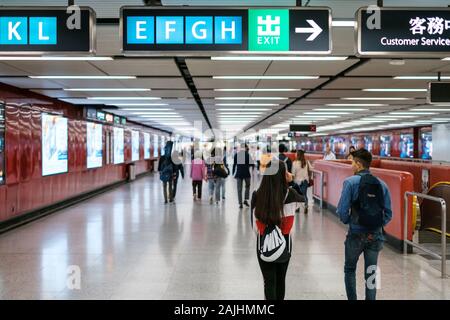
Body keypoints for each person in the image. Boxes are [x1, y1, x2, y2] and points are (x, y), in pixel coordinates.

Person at [336, 148, 392, 300]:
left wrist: (351, 221)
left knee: (349, 269)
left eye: (352, 162)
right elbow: (388, 213)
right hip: (375, 234)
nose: (351, 165)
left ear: (359, 164)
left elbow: (342, 211)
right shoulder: (382, 184)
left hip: (355, 234)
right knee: (372, 271)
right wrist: (377, 225)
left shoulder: (350, 182)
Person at [251, 160, 304, 300]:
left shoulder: (257, 195)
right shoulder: (291, 195)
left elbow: (254, 225)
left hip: (264, 241)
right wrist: (291, 182)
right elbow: (303, 199)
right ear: (283, 174)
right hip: (285, 242)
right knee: (281, 280)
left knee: (269, 281)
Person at [233, 144, 255, 209]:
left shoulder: (236, 155)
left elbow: (234, 164)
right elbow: (251, 164)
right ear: (245, 148)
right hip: (246, 174)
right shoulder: (247, 155)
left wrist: (233, 172)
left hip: (239, 174)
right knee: (247, 186)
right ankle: (245, 199)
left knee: (239, 189)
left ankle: (240, 203)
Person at [291, 150, 312, 214]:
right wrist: (309, 177)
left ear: (298, 155)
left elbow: (293, 173)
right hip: (305, 181)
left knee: (297, 195)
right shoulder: (306, 162)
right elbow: (311, 170)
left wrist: (291, 181)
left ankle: (297, 208)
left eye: (296, 154)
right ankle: (306, 206)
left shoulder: (295, 163)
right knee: (304, 194)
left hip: (297, 182)